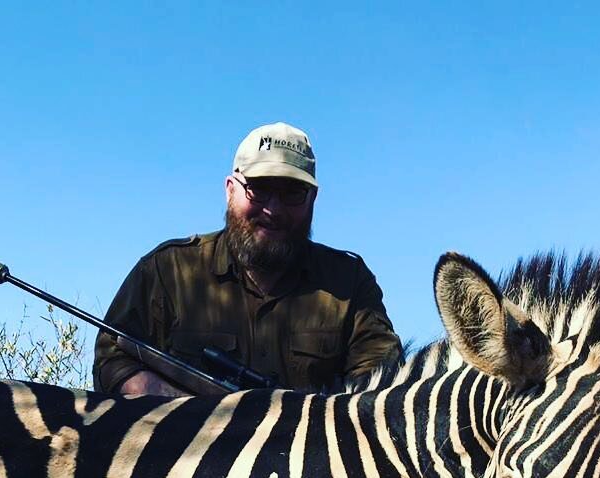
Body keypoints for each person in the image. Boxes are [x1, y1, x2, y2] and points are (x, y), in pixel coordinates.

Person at [93, 122, 402, 397]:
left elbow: (383, 385)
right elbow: (112, 358)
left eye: (292, 193)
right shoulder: (168, 270)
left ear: (313, 199)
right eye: (259, 190)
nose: (273, 210)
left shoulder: (349, 281)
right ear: (230, 190)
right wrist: (185, 411)